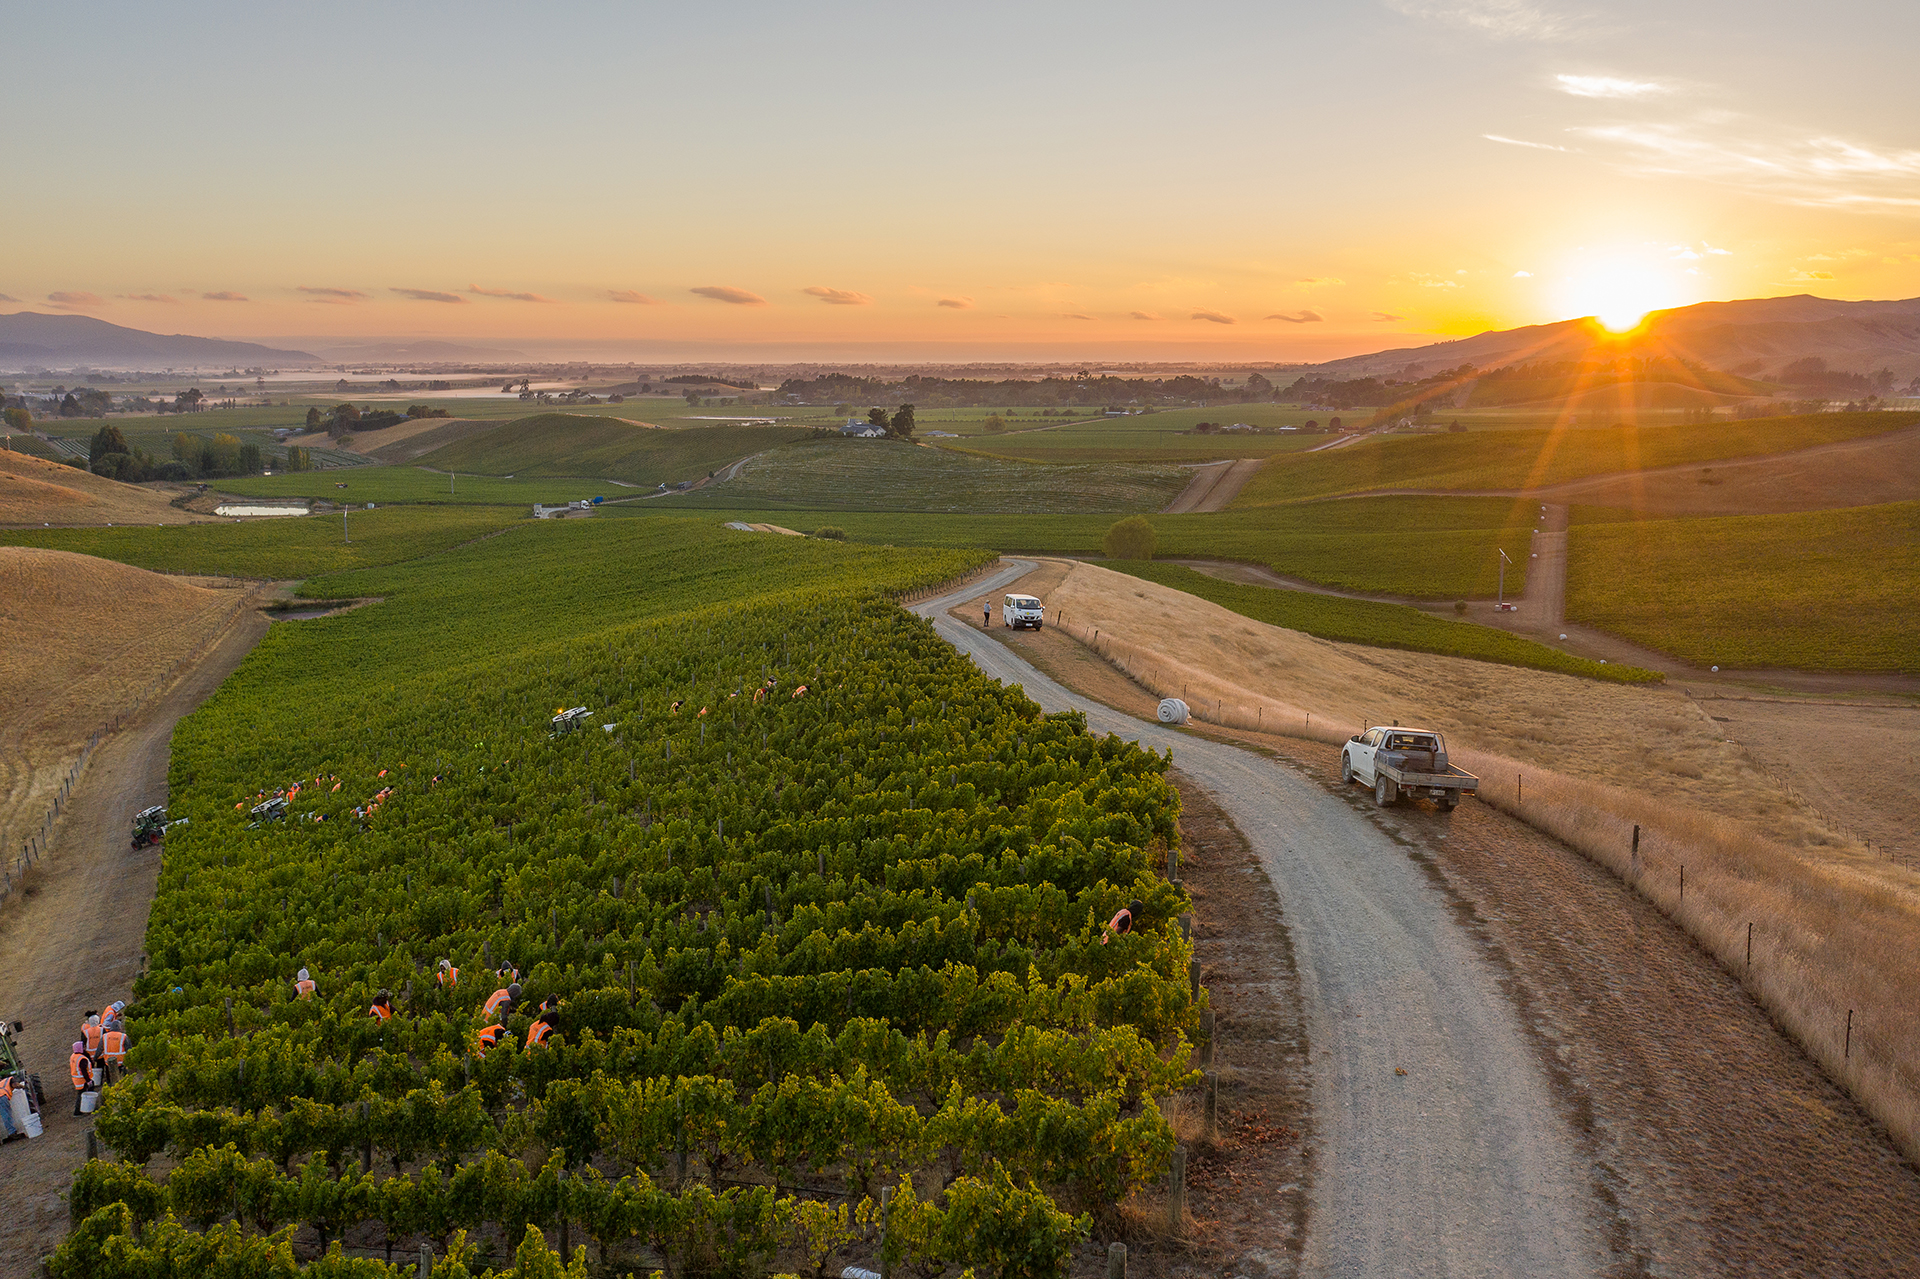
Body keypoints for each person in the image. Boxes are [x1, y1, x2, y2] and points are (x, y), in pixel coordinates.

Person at [69, 1042, 95, 1115]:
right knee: (83, 1094)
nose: (84, 1048)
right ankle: (81, 1110)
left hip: (76, 1079)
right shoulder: (82, 1059)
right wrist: (88, 1080)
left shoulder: (73, 1056)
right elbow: (84, 1071)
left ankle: (80, 1110)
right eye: (83, 1047)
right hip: (82, 1079)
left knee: (81, 1093)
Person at [0, 1074, 20, 1142]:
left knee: (4, 1115)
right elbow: (16, 1085)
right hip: (1, 1097)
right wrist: (23, 1086)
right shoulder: (10, 1079)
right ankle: (12, 1132)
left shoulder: (2, 1083)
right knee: (6, 1115)